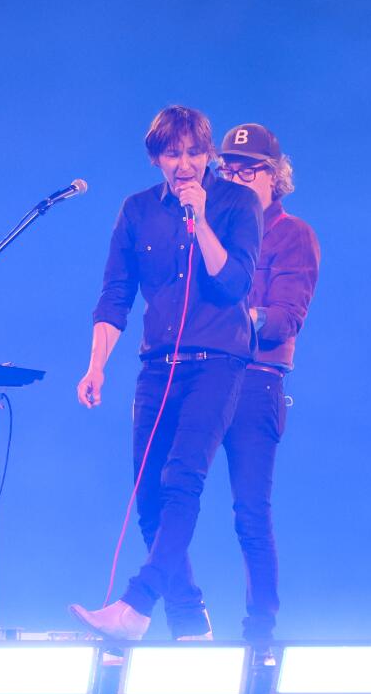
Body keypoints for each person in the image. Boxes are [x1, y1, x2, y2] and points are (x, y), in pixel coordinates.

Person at [70, 105, 261, 641]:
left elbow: (234, 284)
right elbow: (115, 295)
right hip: (157, 365)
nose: (185, 163)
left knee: (183, 479)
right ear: (157, 157)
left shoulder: (236, 203)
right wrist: (96, 365)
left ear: (208, 155)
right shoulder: (135, 211)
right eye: (173, 153)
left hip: (218, 361)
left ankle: (135, 606)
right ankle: (189, 621)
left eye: (195, 152)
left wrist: (199, 221)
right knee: (149, 495)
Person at [215, 123, 320, 646]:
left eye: (248, 169)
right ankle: (184, 618)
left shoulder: (291, 233)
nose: (234, 177)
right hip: (202, 379)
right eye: (227, 170)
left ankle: (260, 632)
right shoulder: (212, 232)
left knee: (249, 510)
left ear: (275, 176)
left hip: (256, 383)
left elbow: (283, 319)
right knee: (171, 498)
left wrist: (227, 319)